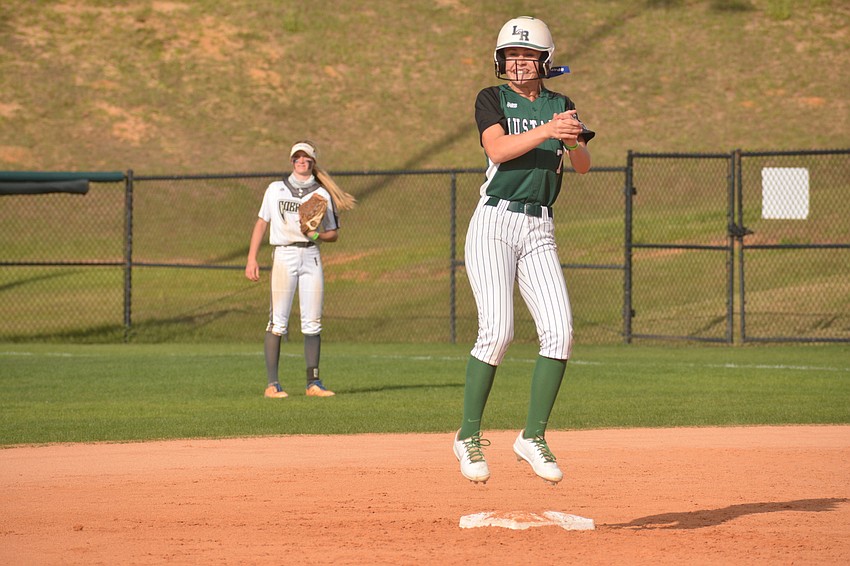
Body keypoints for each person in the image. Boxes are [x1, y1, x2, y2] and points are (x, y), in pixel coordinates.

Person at [453, 16, 595, 484]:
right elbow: (497, 150)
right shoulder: (492, 99)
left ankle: (532, 436)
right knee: (498, 332)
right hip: (495, 221)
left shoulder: (562, 103)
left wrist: (573, 140)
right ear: (501, 61)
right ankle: (468, 436)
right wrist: (549, 130)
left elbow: (583, 166)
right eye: (511, 56)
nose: (518, 63)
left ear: (544, 61)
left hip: (540, 228)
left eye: (527, 56)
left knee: (561, 331)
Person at [245, 140, 356, 398]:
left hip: (311, 255)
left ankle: (313, 383)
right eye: (297, 157)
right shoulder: (275, 190)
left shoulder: (322, 194)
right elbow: (262, 223)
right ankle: (272, 384)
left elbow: (333, 234)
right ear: (292, 160)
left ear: (313, 162)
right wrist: (252, 258)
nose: (301, 161)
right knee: (278, 321)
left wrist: (315, 235)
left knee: (313, 320)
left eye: (306, 157)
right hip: (284, 254)